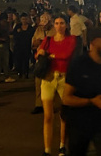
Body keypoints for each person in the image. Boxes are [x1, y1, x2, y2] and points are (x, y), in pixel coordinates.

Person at [61, 29, 101, 156]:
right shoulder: (79, 63)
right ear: (94, 42)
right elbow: (66, 98)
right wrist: (91, 101)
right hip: (79, 123)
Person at [36, 15, 79, 156]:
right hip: (48, 77)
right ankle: (47, 149)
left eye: (62, 23)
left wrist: (48, 54)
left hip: (64, 77)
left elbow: (66, 54)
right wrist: (43, 53)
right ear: (53, 25)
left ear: (66, 25)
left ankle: (62, 145)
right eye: (56, 23)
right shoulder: (48, 40)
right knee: (48, 116)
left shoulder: (71, 39)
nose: (59, 26)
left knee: (64, 115)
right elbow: (38, 54)